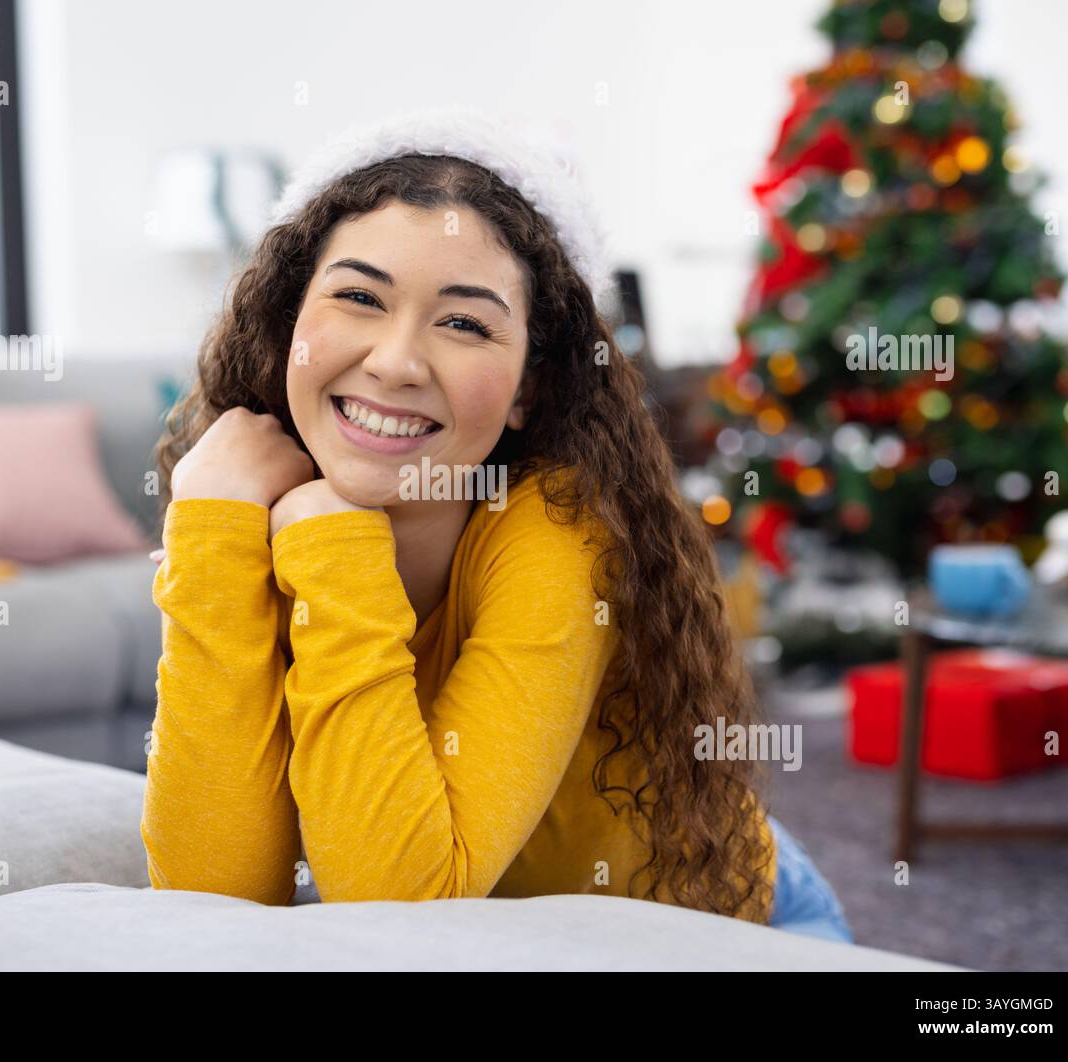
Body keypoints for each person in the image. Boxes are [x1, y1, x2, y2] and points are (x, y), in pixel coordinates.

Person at [140, 106, 853, 944]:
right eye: (360, 297)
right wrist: (214, 529)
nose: (396, 361)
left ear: (526, 389)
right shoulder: (248, 515)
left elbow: (399, 905)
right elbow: (207, 897)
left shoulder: (556, 534)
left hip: (731, 924)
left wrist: (332, 542)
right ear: (289, 318)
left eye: (465, 323)